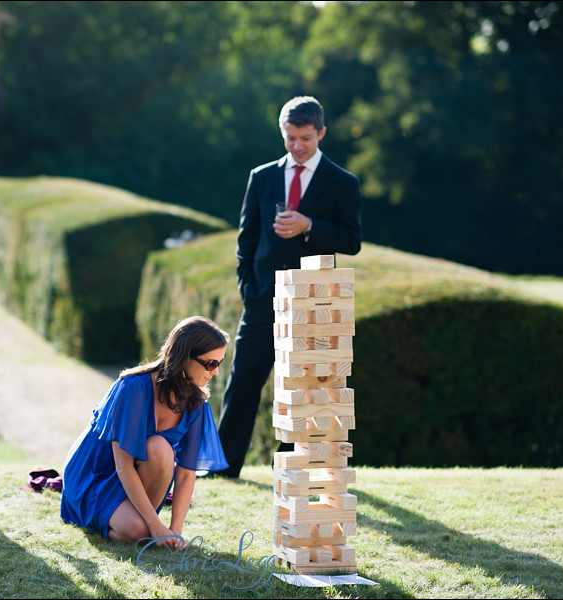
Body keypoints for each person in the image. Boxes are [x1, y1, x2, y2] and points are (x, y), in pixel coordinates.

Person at [215, 96, 363, 479]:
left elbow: (351, 240)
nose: (297, 146)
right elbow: (245, 242)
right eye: (290, 137)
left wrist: (309, 225)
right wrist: (248, 288)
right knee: (242, 382)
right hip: (262, 300)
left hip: (312, 301)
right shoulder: (261, 177)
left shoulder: (343, 183)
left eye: (305, 138)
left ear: (321, 134)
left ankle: (294, 466)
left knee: (303, 390)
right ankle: (224, 467)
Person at [60, 316, 229, 549]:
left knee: (160, 449)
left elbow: (186, 474)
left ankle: (135, 522)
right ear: (184, 355)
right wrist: (156, 526)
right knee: (140, 530)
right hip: (94, 473)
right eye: (210, 363)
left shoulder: (196, 404)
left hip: (136, 478)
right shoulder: (133, 388)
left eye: (219, 363)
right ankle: (132, 523)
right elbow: (123, 465)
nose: (216, 372)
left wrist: (175, 531)